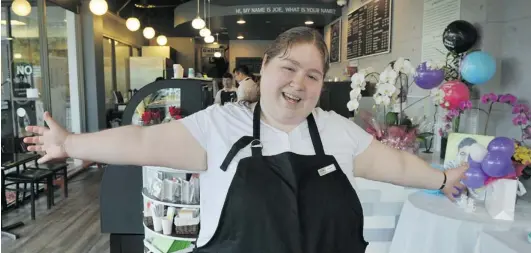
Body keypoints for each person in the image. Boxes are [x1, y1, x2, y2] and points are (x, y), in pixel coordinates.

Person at [24, 27, 467, 253]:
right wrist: (71, 144)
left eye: (312, 75)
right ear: (266, 68)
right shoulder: (220, 126)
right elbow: (139, 144)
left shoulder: (337, 131)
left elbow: (397, 166)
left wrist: (442, 177)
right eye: (289, 68)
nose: (299, 84)